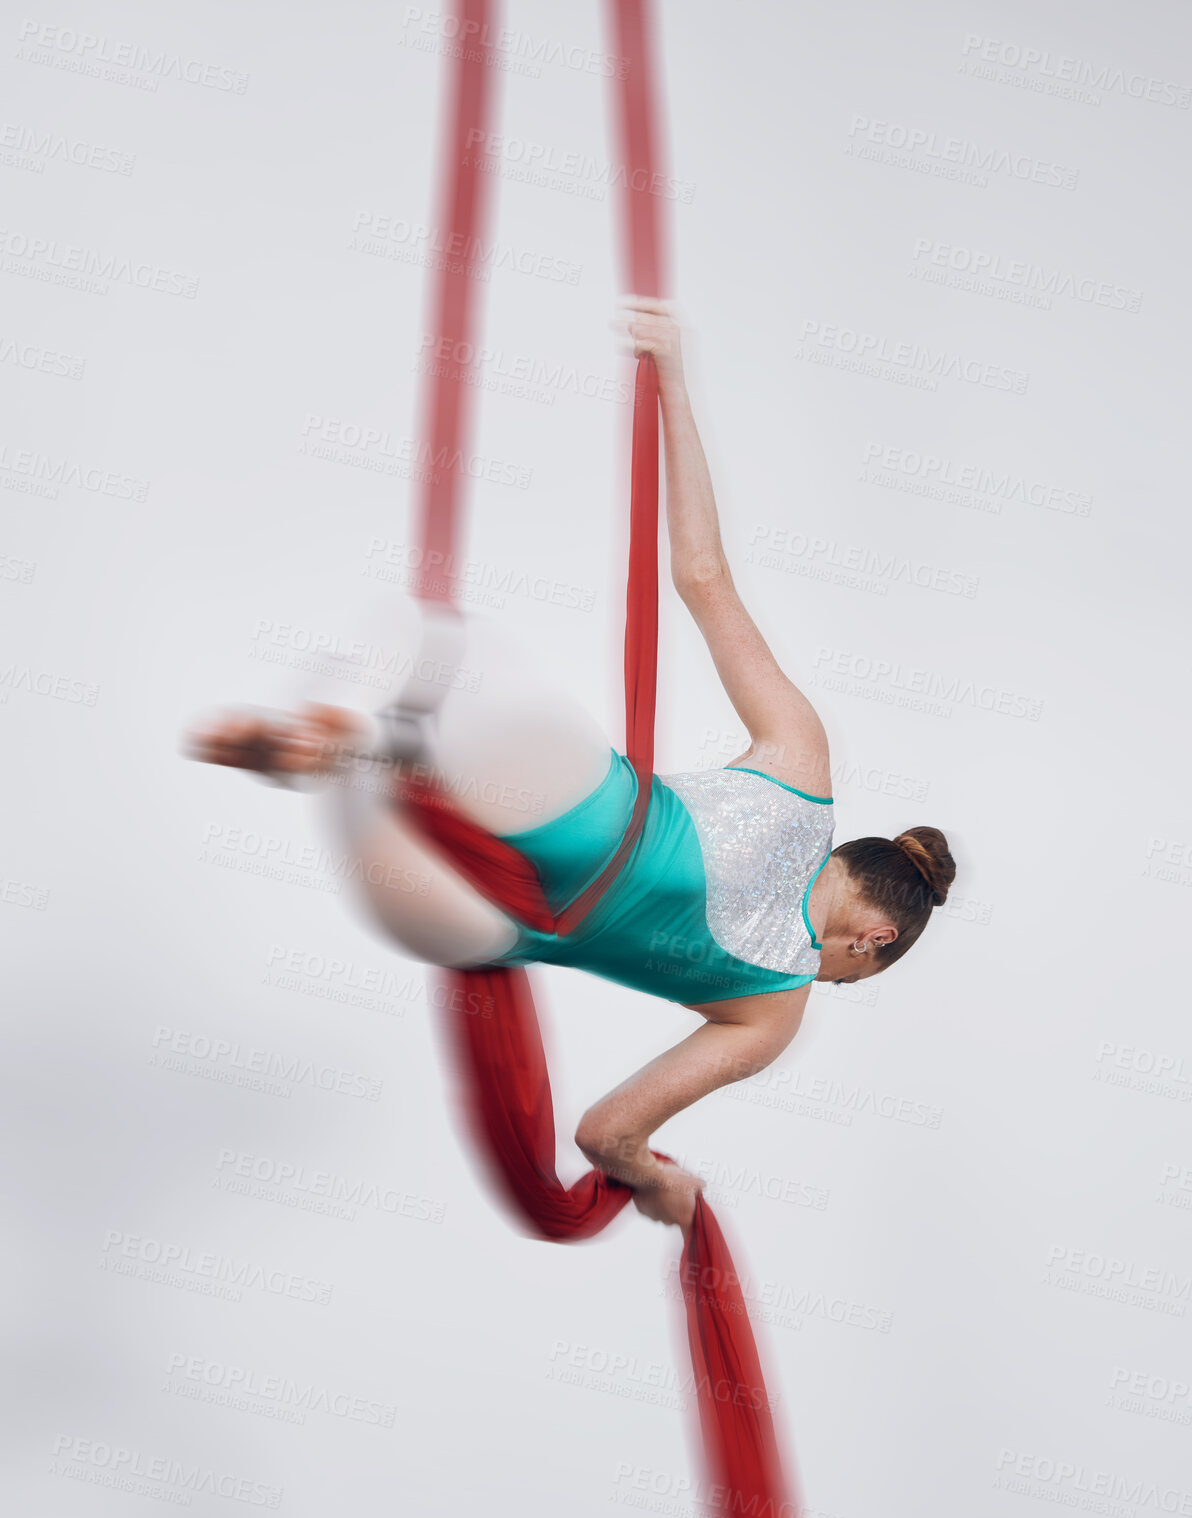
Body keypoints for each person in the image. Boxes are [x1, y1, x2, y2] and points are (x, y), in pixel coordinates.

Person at [186, 299, 956, 1233]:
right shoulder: (774, 1014)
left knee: (425, 648)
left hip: (565, 796)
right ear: (872, 939)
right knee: (393, 757)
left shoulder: (801, 762)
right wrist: (656, 1181)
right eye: (847, 977)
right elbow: (603, 1134)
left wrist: (672, 374)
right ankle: (349, 759)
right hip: (471, 914)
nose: (827, 981)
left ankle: (353, 736)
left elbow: (703, 576)